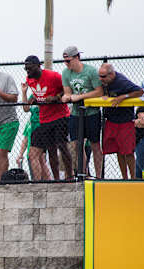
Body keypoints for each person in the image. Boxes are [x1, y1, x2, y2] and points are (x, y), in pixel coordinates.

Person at [21, 55, 72, 180]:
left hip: (60, 116)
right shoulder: (30, 80)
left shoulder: (53, 76)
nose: (28, 71)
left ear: (38, 66)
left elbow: (67, 90)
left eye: (30, 68)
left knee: (62, 146)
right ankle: (56, 179)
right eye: (26, 69)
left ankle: (69, 176)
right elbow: (33, 98)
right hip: (44, 119)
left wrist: (56, 97)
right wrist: (31, 98)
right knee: (51, 150)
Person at [61, 46, 103, 178]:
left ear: (77, 57)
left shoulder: (91, 71)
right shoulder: (66, 73)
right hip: (75, 114)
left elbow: (99, 91)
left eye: (68, 61)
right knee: (76, 145)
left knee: (95, 145)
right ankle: (82, 174)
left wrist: (79, 97)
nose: (66, 64)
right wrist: (65, 97)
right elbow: (68, 92)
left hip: (92, 113)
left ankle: (99, 176)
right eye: (64, 61)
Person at [98, 63, 143, 179]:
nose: (100, 79)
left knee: (127, 151)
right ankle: (124, 177)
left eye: (103, 76)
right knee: (118, 150)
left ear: (112, 74)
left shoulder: (122, 81)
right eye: (99, 76)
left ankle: (133, 178)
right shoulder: (102, 83)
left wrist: (124, 96)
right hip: (111, 119)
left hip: (125, 120)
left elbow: (140, 91)